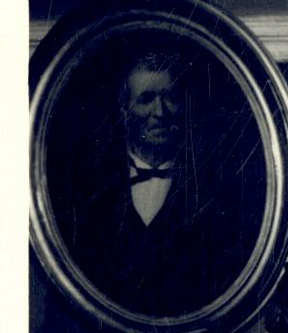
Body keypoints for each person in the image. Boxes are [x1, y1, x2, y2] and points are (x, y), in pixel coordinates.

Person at [55, 51, 257, 317]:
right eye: (146, 99)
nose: (160, 112)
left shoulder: (215, 190)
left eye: (171, 98)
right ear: (124, 109)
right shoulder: (88, 192)